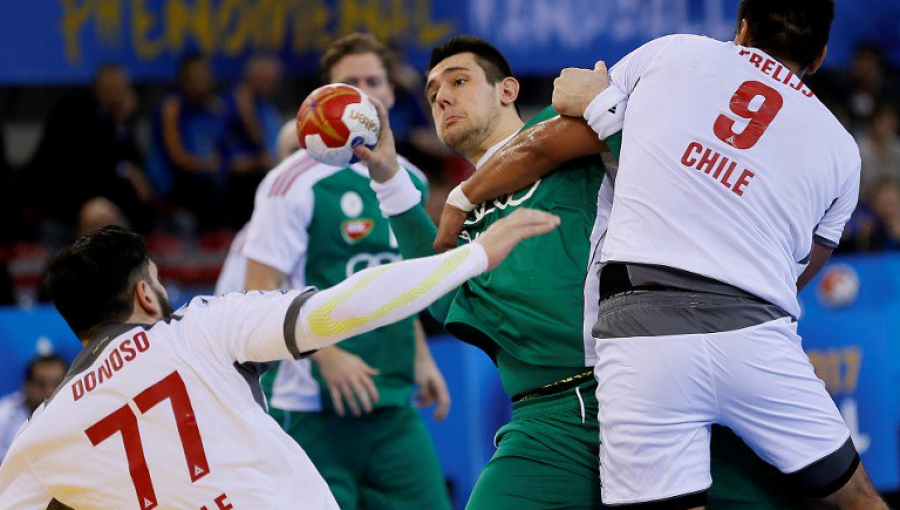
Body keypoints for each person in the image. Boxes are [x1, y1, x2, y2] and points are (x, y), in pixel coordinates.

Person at [435, 1, 888, 508]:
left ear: (741, 29)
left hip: (641, 331)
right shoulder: (841, 148)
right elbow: (807, 266)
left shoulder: (675, 54)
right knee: (858, 499)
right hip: (754, 329)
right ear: (822, 56)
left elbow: (546, 144)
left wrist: (460, 200)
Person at [363, 35, 808, 510]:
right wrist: (389, 177)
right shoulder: (467, 228)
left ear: (507, 90)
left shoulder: (568, 134)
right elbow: (439, 295)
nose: (443, 97)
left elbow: (665, 153)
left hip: (650, 386)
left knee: (799, 497)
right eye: (432, 94)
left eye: (458, 81)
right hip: (546, 425)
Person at [0, 213, 558, 509]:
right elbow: (341, 308)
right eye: (158, 281)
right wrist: (474, 254)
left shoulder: (41, 435)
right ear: (147, 295)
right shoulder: (199, 328)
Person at [221, 33, 452, 510]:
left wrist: (421, 357)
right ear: (323, 98)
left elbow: (399, 279)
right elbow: (256, 296)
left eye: (374, 82)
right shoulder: (288, 183)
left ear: (389, 94)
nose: (364, 94)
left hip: (392, 403)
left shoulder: (410, 178)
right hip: (311, 408)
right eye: (350, 83)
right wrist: (327, 355)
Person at [29, 64, 152, 249]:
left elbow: (135, 170)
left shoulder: (119, 123)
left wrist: (120, 123)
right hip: (65, 198)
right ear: (97, 88)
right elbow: (88, 166)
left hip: (105, 202)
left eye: (121, 87)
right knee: (99, 215)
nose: (117, 93)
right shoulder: (75, 111)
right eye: (111, 87)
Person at [147, 53, 226, 233]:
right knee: (205, 184)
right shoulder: (172, 108)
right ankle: (208, 239)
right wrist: (207, 166)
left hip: (208, 171)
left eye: (205, 77)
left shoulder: (214, 107)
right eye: (195, 78)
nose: (201, 83)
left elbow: (223, 147)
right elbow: (177, 157)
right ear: (183, 80)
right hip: (174, 176)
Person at [221, 55, 284, 228]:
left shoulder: (266, 105)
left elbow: (271, 143)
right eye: (265, 78)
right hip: (235, 167)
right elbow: (253, 138)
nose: (271, 83)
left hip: (269, 163)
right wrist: (245, 105)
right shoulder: (232, 103)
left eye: (273, 79)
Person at [0, 355, 67, 462]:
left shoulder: (76, 410)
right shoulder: (4, 413)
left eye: (56, 384)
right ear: (26, 385)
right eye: (41, 384)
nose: (49, 392)